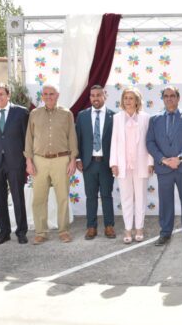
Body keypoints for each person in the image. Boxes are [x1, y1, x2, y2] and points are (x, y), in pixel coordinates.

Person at [24, 84, 78, 244]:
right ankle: (41, 232)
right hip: (39, 160)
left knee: (62, 197)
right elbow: (29, 138)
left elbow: (72, 137)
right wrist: (29, 160)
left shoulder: (66, 114)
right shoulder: (34, 114)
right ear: (42, 96)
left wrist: (73, 159)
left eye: (51, 94)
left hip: (61, 160)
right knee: (39, 198)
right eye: (45, 94)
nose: (48, 96)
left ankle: (64, 231)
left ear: (57, 95)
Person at [146, 86, 182, 247]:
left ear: (178, 97)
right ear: (162, 98)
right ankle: (165, 233)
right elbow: (150, 142)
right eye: (166, 96)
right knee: (165, 202)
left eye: (172, 95)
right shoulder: (154, 119)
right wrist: (163, 160)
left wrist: (180, 158)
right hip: (164, 168)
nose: (169, 98)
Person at [0, 82, 30, 245]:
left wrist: (27, 160)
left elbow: (27, 138)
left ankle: (21, 232)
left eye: (1, 94)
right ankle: (4, 232)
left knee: (18, 198)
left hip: (15, 161)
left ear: (8, 95)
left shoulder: (21, 112)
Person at [109, 87, 154, 244]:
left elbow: (150, 142)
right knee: (126, 198)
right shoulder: (117, 118)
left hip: (141, 163)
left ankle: (139, 228)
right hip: (123, 165)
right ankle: (128, 228)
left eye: (131, 98)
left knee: (140, 197)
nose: (128, 101)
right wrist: (113, 163)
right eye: (125, 98)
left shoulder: (146, 118)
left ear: (137, 101)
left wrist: (150, 162)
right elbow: (114, 141)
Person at [75, 85, 117, 240]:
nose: (95, 98)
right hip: (89, 163)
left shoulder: (114, 116)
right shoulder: (82, 116)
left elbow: (117, 142)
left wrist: (115, 162)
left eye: (98, 95)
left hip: (106, 163)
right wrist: (78, 158)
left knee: (106, 195)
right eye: (92, 95)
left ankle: (109, 226)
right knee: (91, 196)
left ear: (104, 95)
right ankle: (91, 227)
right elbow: (78, 138)